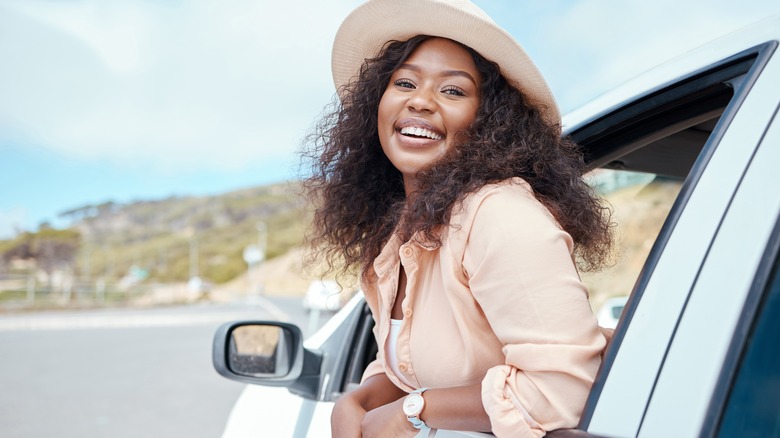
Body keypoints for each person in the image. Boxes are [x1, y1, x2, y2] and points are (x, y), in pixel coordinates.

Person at [302, 0, 613, 436]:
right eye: (405, 82)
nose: (421, 102)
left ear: (491, 122)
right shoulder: (401, 236)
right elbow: (410, 361)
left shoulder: (499, 215)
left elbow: (560, 390)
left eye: (453, 90)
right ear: (378, 101)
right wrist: (356, 400)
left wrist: (414, 410)